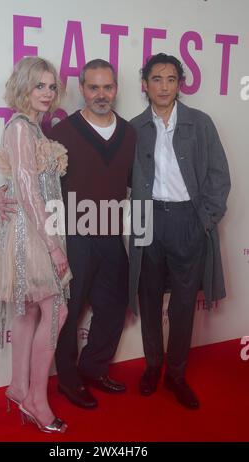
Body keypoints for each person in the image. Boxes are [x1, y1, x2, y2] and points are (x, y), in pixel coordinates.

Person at [0, 59, 136, 409]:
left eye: (107, 87)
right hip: (70, 234)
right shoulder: (61, 132)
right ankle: (69, 383)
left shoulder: (131, 133)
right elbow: (29, 180)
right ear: (82, 90)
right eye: (93, 87)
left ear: (116, 88)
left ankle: (93, 369)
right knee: (68, 311)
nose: (101, 94)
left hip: (110, 230)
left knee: (114, 304)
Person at [129, 53, 230, 409]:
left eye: (171, 79)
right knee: (150, 298)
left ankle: (176, 374)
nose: (164, 86)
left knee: (185, 303)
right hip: (149, 219)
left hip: (189, 220)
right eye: (157, 79)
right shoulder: (134, 128)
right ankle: (153, 367)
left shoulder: (200, 123)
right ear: (145, 84)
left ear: (179, 84)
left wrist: (205, 217)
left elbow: (220, 175)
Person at [0, 56, 71, 432]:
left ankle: (19, 387)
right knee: (57, 310)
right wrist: (53, 245)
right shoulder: (22, 127)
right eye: (39, 85)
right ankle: (37, 400)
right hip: (32, 234)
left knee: (27, 314)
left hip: (32, 228)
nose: (47, 92)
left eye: (51, 86)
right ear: (23, 86)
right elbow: (26, 189)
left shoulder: (32, 129)